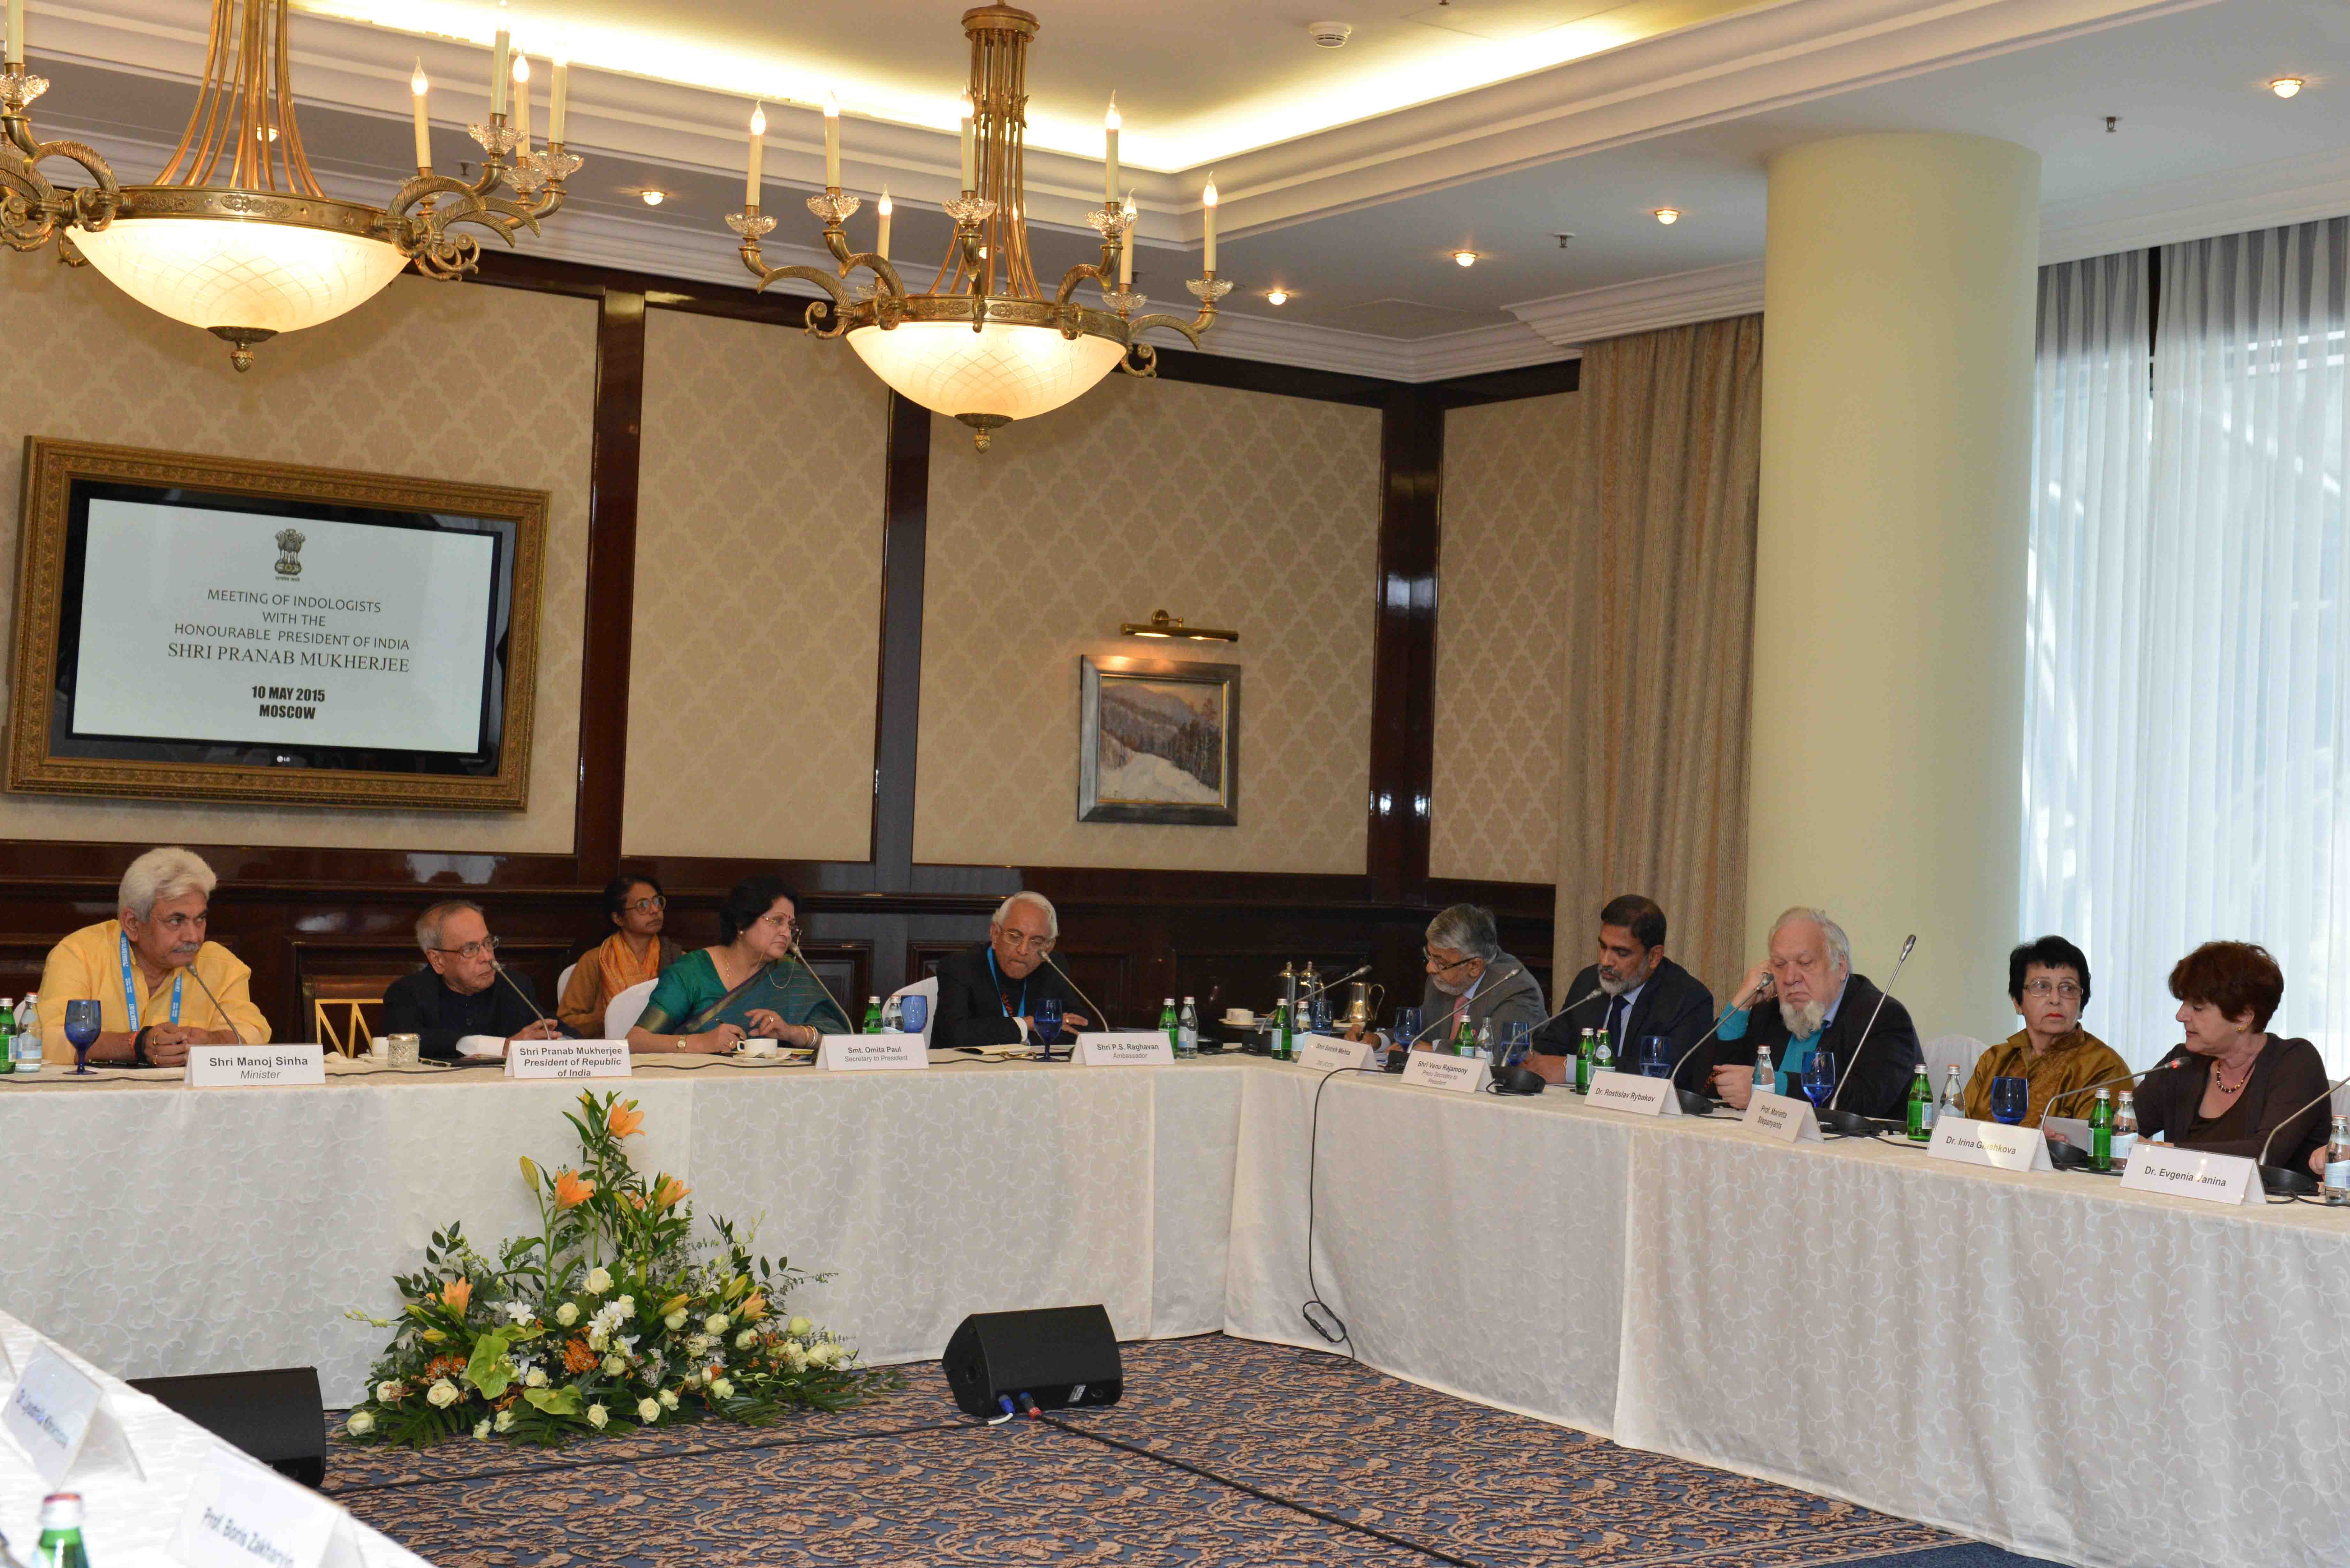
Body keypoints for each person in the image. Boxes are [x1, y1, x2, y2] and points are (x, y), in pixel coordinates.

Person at [35, 845, 270, 1067]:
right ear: (133, 923)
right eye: (176, 921)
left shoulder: (223, 967)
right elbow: (49, 1039)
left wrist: (213, 1042)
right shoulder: (80, 954)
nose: (193, 937)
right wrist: (137, 1045)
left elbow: (253, 1034)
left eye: (200, 919)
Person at [1709, 906, 1921, 1118]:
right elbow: (1708, 1089)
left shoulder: (1884, 1017)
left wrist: (1772, 1086)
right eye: (1780, 965)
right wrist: (1740, 1006)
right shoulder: (1769, 1013)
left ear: (1841, 966)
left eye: (1805, 963)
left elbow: (1865, 1100)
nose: (1790, 978)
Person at [2133, 941, 2330, 1168]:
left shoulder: (2296, 1062)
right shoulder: (2183, 1062)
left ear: (2243, 1018)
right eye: (2183, 1004)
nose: (2180, 1016)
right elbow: (2122, 1128)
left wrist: (2167, 1152)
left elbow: (2265, 1153)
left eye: (2198, 1008)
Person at [627, 876, 852, 1054]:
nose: (786, 933)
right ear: (742, 923)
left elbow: (841, 1042)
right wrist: (699, 1043)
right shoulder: (693, 971)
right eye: (777, 921)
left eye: (791, 925)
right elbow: (636, 1042)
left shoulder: (791, 973)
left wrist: (792, 1033)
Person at [1528, 894, 1717, 1087]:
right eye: (1603, 947)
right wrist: (1533, 1059)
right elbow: (1552, 1046)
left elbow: (1672, 1074)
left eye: (1621, 953)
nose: (1606, 962)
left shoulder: (1689, 1000)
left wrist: (1577, 1069)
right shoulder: (1588, 982)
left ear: (1654, 956)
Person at [1960, 936, 2131, 1131]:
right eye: (2042, 987)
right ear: (2017, 1001)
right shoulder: (1995, 1060)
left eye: (2068, 988)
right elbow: (1958, 1132)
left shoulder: (2105, 1068)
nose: (2056, 999)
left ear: (2082, 1005)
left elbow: (2096, 1149)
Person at [383, 901, 572, 1062]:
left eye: (488, 943)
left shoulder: (515, 986)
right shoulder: (408, 994)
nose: (487, 957)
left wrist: (554, 1042)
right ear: (437, 960)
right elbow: (410, 1041)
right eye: (470, 949)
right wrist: (501, 1048)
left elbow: (565, 1033)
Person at [933, 892, 1091, 1052]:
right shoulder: (961, 966)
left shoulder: (1052, 967)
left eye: (1036, 942)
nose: (1023, 950)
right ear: (995, 935)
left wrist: (1017, 1038)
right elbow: (953, 1035)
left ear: (1048, 948)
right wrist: (1029, 1024)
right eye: (1015, 937)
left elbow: (1082, 1030)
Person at [1405, 904, 1546, 1053]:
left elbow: (1497, 1054)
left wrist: (1434, 1049)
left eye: (1440, 962)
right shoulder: (1443, 978)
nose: (1430, 968)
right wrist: (1381, 1040)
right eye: (1429, 956)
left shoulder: (1516, 990)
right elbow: (1422, 1028)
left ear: (1474, 966)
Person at [558, 875, 682, 1035]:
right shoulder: (595, 960)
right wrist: (612, 1018)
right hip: (607, 1053)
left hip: (663, 1050)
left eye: (658, 902)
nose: (655, 910)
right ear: (618, 918)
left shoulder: (678, 959)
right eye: (643, 905)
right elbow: (566, 1021)